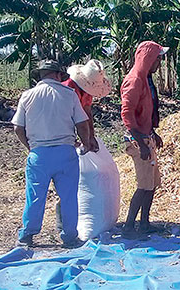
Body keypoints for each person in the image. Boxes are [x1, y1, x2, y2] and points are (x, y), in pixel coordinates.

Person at [11, 60, 98, 248]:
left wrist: (31, 147)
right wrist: (86, 143)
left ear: (41, 75)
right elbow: (82, 123)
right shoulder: (69, 95)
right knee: (68, 196)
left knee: (35, 196)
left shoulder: (28, 96)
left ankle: (27, 236)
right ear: (58, 75)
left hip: (39, 155)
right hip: (65, 152)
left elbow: (18, 127)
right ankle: (69, 237)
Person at [55, 59, 113, 231]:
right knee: (64, 182)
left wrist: (91, 137)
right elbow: (62, 117)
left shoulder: (86, 90)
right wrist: (76, 139)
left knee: (77, 181)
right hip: (61, 137)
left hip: (74, 136)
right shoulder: (67, 88)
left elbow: (86, 113)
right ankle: (62, 223)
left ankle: (74, 219)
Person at [120, 41, 168, 236]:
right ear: (148, 59)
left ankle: (145, 223)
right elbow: (126, 113)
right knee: (143, 185)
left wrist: (153, 133)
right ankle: (129, 227)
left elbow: (147, 111)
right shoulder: (134, 80)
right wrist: (141, 143)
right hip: (137, 140)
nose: (159, 64)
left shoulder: (146, 79)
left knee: (152, 183)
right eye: (158, 59)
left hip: (146, 137)